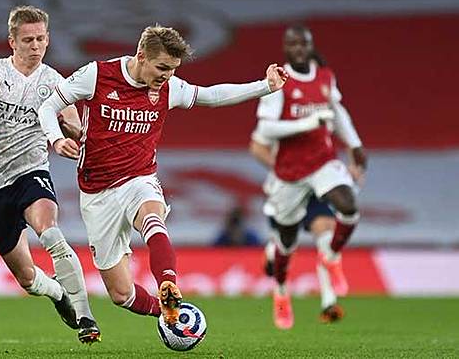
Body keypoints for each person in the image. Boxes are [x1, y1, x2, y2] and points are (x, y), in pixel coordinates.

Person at [38, 24, 288, 327]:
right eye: (162, 68)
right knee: (121, 294)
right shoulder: (98, 74)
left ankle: (168, 281)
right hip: (96, 192)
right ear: (141, 56)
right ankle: (169, 313)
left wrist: (265, 85)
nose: (167, 76)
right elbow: (49, 106)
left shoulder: (169, 88)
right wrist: (56, 138)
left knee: (151, 217)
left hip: (139, 178)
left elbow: (211, 95)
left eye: (172, 69)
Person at [0, 5, 100, 344]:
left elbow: (75, 127)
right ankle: (57, 294)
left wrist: (72, 131)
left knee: (50, 232)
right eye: (27, 40)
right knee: (26, 278)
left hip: (31, 170)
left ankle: (86, 317)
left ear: (48, 39)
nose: (35, 46)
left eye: (40, 39)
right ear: (12, 41)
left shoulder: (54, 82)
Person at [253, 25, 367, 329]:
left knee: (349, 206)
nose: (299, 49)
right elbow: (264, 131)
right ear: (286, 49)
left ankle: (330, 258)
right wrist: (307, 123)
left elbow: (338, 111)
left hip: (322, 162)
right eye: (292, 44)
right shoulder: (280, 81)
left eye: (303, 44)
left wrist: (354, 145)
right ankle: (280, 292)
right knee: (286, 244)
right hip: (289, 173)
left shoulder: (325, 76)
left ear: (310, 45)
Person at [250, 138, 345, 324]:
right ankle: (276, 268)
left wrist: (353, 162)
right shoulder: (280, 115)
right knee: (286, 246)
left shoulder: (323, 114)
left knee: (326, 232)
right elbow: (256, 147)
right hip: (286, 187)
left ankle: (329, 302)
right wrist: (283, 168)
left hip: (314, 189)